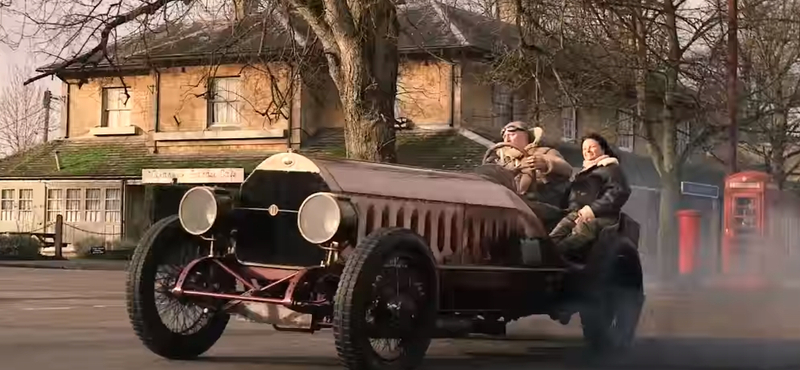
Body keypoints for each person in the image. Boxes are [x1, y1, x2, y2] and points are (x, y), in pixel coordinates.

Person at [549, 133, 631, 259]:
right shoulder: (585, 172)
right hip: (577, 213)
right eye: (584, 148)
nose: (587, 150)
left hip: (602, 216)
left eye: (591, 147)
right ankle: (548, 255)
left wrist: (592, 210)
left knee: (577, 236)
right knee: (554, 235)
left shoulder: (611, 169)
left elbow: (618, 192)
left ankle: (558, 260)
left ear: (602, 148)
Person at [486, 121, 574, 210]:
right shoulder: (500, 159)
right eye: (504, 136)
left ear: (525, 135)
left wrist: (546, 163)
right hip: (507, 206)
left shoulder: (544, 152)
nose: (507, 139)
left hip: (542, 205)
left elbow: (567, 169)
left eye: (511, 135)